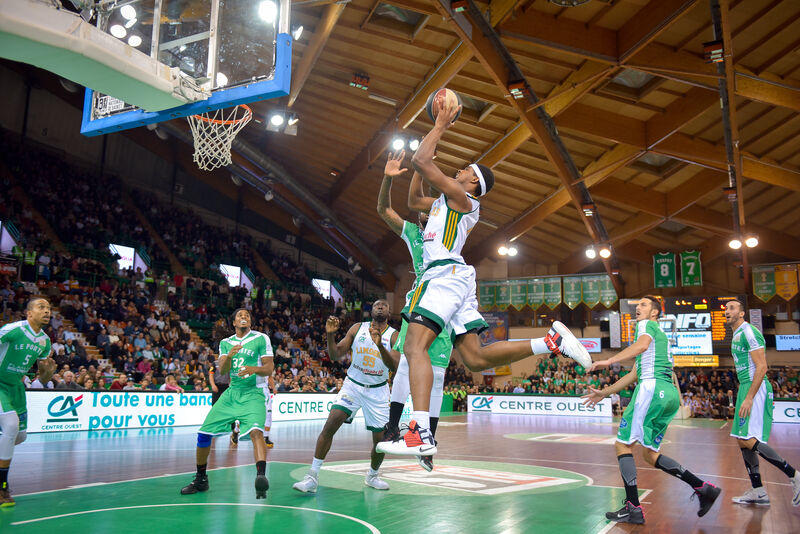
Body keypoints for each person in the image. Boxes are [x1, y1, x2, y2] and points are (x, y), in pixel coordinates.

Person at [377, 100, 591, 457]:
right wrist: (419, 160)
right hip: (455, 277)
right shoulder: (444, 203)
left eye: (464, 170)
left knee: (415, 347)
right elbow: (414, 198)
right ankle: (549, 342)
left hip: (443, 275)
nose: (459, 170)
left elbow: (423, 162)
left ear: (473, 181)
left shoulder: (464, 199)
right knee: (475, 358)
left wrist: (441, 125)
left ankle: (419, 433)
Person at [582, 296, 720, 524]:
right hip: (670, 395)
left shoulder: (646, 326)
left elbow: (641, 346)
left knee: (623, 444)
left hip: (652, 388)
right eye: (638, 306)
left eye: (644, 305)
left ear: (655, 312)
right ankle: (703, 488)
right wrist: (604, 393)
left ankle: (633, 507)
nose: (638, 308)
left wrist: (609, 361)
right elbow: (633, 374)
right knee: (649, 454)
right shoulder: (660, 336)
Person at [292, 300, 397, 494]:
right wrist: (330, 335)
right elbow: (335, 355)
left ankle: (372, 476)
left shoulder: (393, 335)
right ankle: (312, 477)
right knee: (331, 424)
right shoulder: (357, 328)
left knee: (380, 442)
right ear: (371, 310)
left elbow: (395, 367)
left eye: (384, 305)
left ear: (389, 311)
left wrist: (380, 346)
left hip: (378, 390)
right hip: (353, 386)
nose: (380, 306)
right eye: (376, 305)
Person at [180, 309, 274, 499]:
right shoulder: (226, 343)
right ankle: (201, 479)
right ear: (234, 323)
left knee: (257, 432)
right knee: (204, 433)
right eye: (240, 315)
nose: (244, 317)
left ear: (250, 321)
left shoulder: (261, 338)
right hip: (232, 393)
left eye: (247, 315)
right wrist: (229, 355)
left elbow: (269, 368)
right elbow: (222, 369)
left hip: (254, 393)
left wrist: (253, 369)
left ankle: (260, 477)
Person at [724, 299, 800, 506]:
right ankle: (758, 491)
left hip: (754, 388)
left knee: (748, 439)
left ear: (742, 314)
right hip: (746, 388)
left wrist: (749, 397)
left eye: (732, 308)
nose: (727, 311)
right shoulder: (737, 334)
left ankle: (794, 475)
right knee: (742, 439)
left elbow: (762, 367)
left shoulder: (749, 332)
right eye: (726, 308)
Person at [0, 298, 56, 507]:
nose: (47, 311)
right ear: (28, 313)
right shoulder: (13, 330)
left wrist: (44, 377)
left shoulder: (45, 342)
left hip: (16, 388)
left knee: (20, 436)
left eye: (49, 308)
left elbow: (37, 371)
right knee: (11, 426)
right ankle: (2, 487)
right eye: (41, 307)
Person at [262, 374, 275, 448]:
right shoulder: (250, 363)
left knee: (268, 414)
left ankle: (266, 436)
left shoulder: (268, 363)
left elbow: (269, 376)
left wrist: (273, 388)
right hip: (253, 392)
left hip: (265, 391)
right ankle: (236, 430)